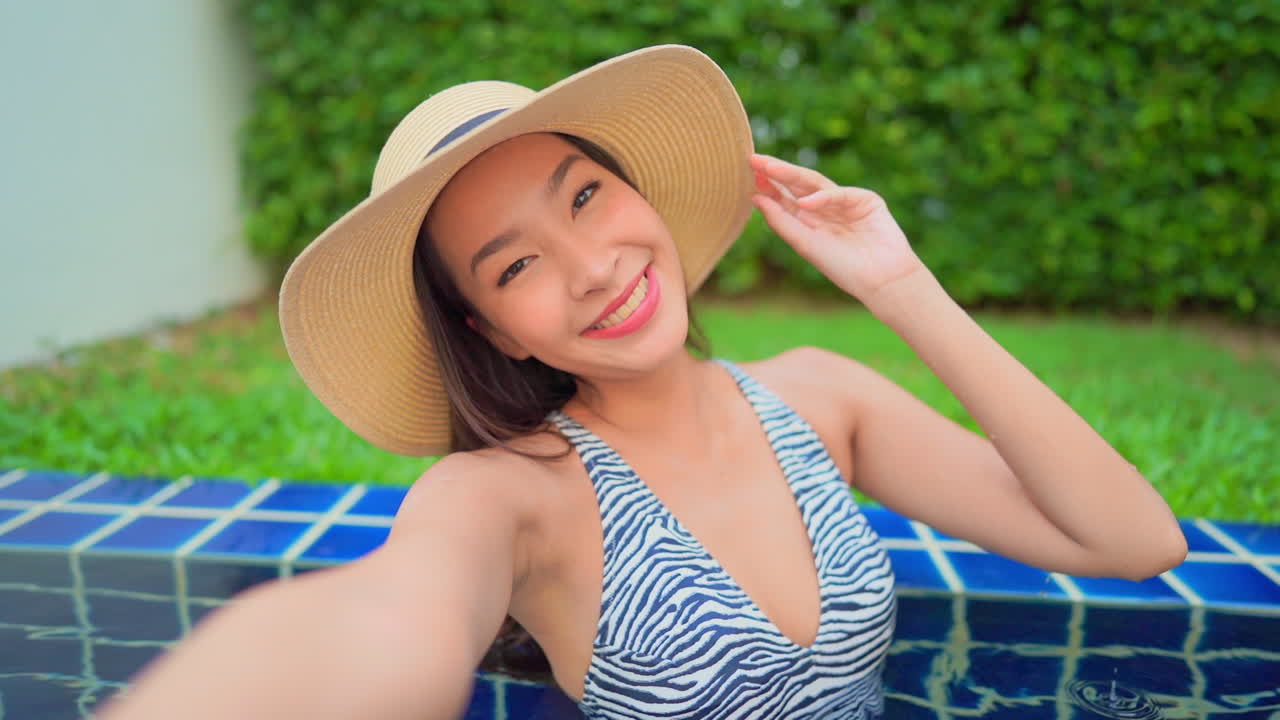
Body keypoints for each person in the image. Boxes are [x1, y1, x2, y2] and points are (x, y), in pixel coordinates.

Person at [99, 45, 1187, 720]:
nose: (590, 267)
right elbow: (382, 621)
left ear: (639, 193)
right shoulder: (509, 496)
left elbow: (1133, 541)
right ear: (491, 330)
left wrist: (899, 285)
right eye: (515, 267)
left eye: (584, 197)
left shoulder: (821, 400)